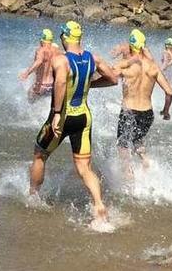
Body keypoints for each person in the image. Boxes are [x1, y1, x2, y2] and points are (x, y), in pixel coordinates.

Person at [29, 21, 118, 227]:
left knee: (40, 154)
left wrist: (58, 114)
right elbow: (113, 79)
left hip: (62, 116)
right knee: (84, 167)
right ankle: (98, 205)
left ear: (65, 37)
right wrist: (90, 84)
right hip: (84, 118)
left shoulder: (61, 60)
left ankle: (33, 196)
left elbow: (60, 82)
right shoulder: (93, 58)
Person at [113, 29, 172, 179]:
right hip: (147, 113)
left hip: (129, 112)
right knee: (137, 141)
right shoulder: (153, 66)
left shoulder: (125, 65)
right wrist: (166, 111)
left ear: (131, 46)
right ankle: (146, 163)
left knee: (123, 146)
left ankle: (129, 177)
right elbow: (169, 92)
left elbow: (110, 75)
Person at [18, 29, 60, 101]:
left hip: (41, 86)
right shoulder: (57, 51)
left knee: (29, 100)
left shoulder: (41, 50)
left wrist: (26, 73)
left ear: (42, 40)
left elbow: (39, 61)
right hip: (52, 85)